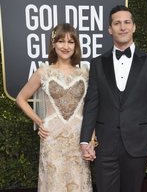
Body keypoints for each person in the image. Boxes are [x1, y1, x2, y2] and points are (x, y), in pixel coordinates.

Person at [80, 5, 147, 192]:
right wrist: (85, 140)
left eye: (127, 22)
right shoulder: (97, 63)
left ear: (134, 27)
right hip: (104, 145)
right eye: (117, 23)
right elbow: (92, 104)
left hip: (138, 145)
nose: (122, 27)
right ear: (110, 29)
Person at [16, 23, 93, 192]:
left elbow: (91, 108)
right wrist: (39, 121)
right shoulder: (44, 72)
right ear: (53, 44)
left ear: (76, 45)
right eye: (61, 41)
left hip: (78, 138)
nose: (66, 46)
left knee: (78, 183)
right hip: (52, 140)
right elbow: (21, 98)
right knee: (54, 184)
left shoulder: (85, 73)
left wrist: (92, 136)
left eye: (70, 42)